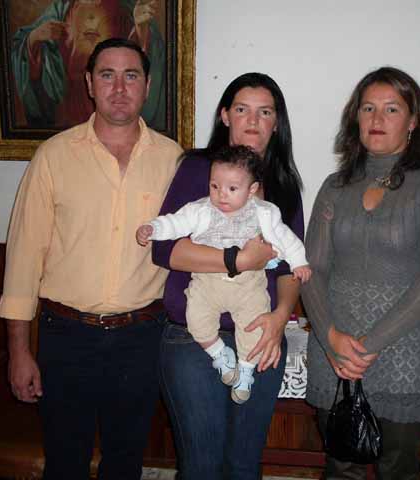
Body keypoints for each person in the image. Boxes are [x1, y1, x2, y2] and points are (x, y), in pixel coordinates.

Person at [0, 38, 182, 479]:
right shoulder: (54, 157)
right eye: (107, 75)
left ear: (147, 85)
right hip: (66, 338)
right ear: (89, 84)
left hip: (142, 338)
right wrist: (19, 352)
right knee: (65, 461)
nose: (119, 88)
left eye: (131, 76)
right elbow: (23, 259)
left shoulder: (173, 160)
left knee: (126, 462)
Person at [301, 66, 420, 480]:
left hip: (405, 359)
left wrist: (368, 346)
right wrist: (332, 338)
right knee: (341, 470)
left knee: (398, 472)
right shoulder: (335, 186)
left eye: (391, 109)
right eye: (368, 108)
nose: (377, 118)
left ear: (413, 121)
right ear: (355, 117)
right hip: (334, 357)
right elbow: (313, 268)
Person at [152, 72, 304, 478]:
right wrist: (239, 259)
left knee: (243, 465)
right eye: (242, 109)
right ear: (225, 116)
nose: (252, 121)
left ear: (277, 122)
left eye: (265, 112)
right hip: (193, 338)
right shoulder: (199, 170)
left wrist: (280, 317)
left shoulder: (284, 185)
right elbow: (165, 250)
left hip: (260, 334)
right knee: (202, 466)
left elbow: (290, 268)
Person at [138, 145, 310, 404]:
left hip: (248, 285)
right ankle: (220, 355)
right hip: (207, 282)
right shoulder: (200, 209)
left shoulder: (264, 212)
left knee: (253, 327)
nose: (221, 195)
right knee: (196, 319)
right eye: (215, 186)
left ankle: (246, 371)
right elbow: (175, 222)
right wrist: (153, 228)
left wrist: (299, 262)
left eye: (232, 188)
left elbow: (287, 239)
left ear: (251, 190)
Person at [11, 0, 165, 129]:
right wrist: (35, 38)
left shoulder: (126, 8)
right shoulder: (62, 9)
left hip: (113, 103)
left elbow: (140, 60)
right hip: (69, 105)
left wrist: (141, 29)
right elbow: (25, 49)